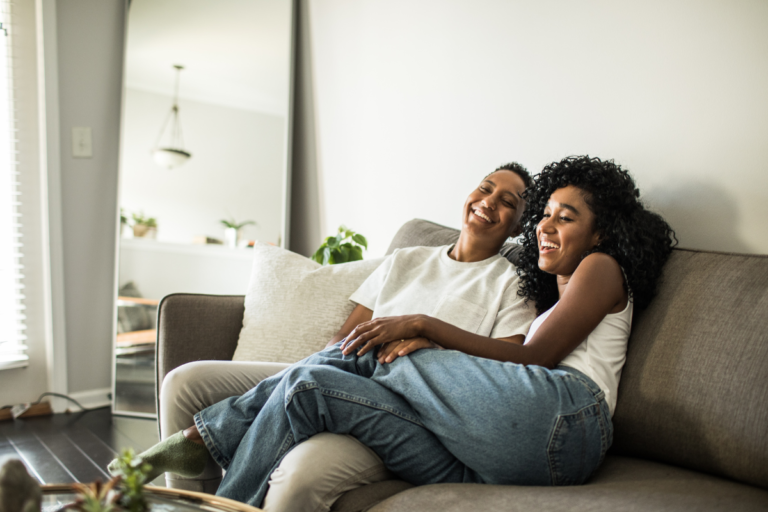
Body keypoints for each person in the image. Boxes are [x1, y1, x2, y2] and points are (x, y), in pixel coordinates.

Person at [114, 156, 675, 508]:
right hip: (504, 452)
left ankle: (195, 440)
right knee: (311, 387)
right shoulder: (558, 283)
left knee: (378, 346)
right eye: (546, 215)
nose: (547, 227)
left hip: (567, 420)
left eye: (565, 216)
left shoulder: (599, 267)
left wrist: (423, 325)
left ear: (603, 229)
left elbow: (535, 355)